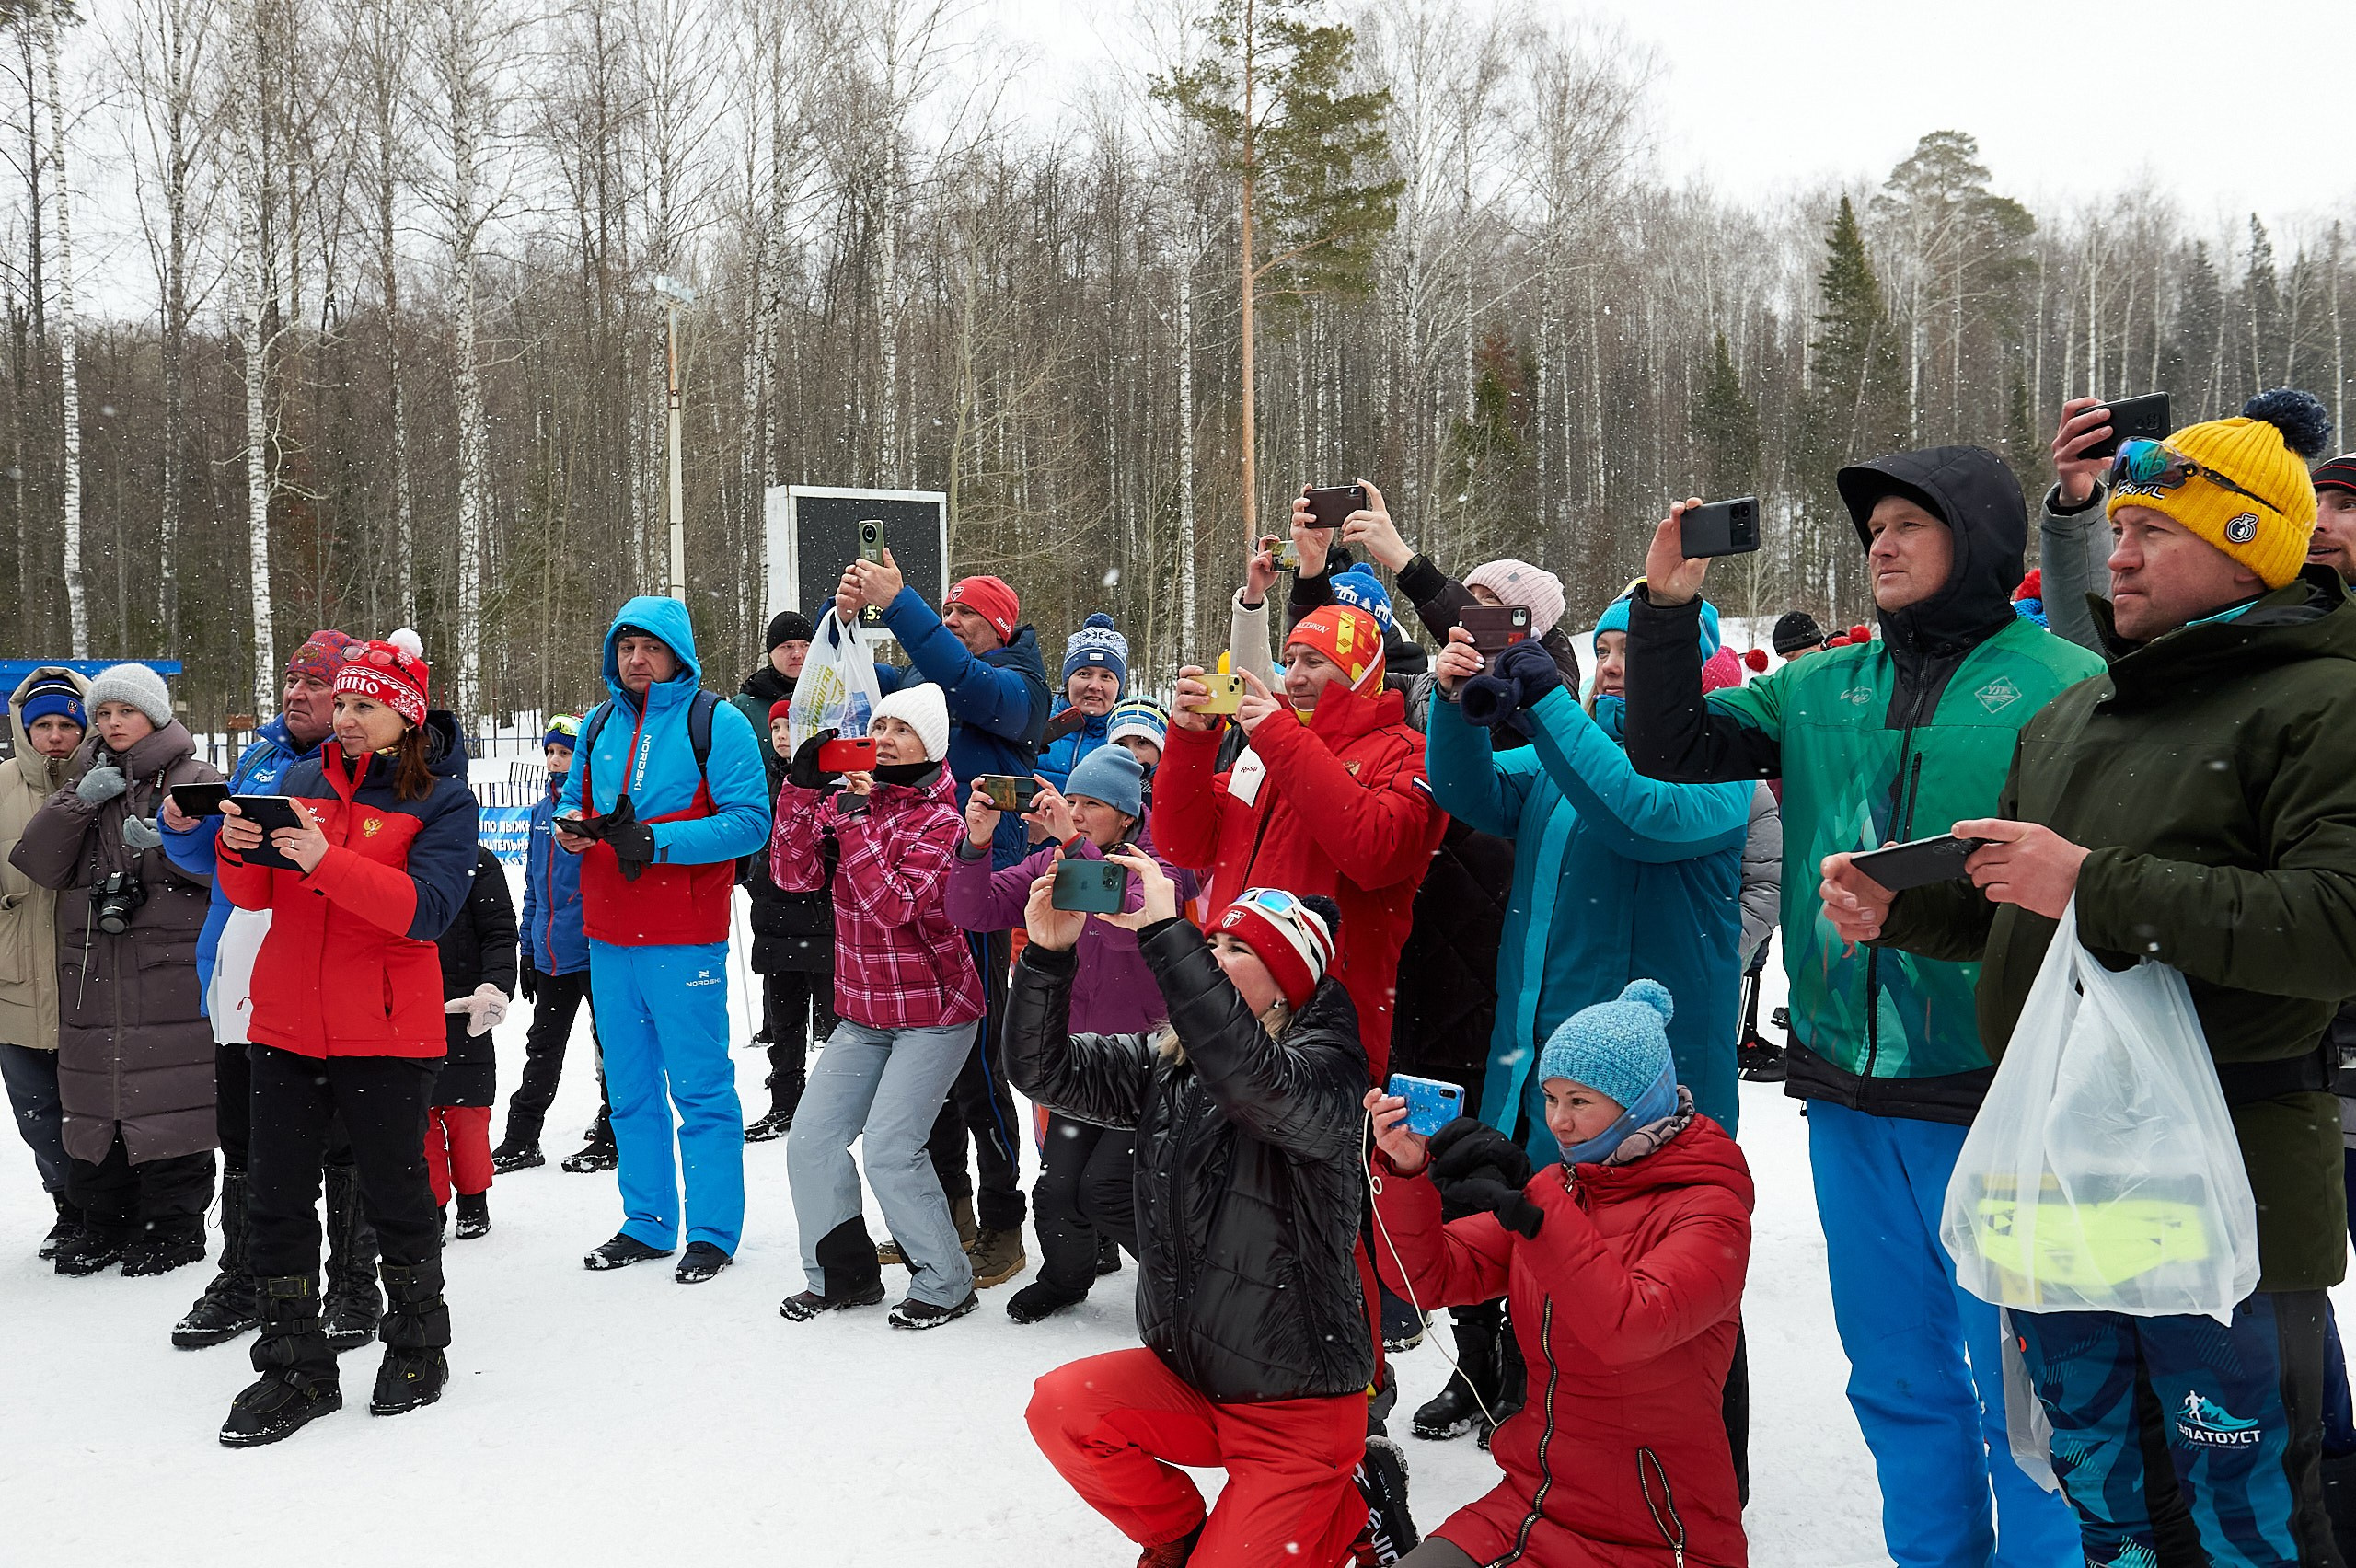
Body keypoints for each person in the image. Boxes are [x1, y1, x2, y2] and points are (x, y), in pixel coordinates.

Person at [1825, 389, 2356, 1567]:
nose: (2113, 555)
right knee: (2104, 1501)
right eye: (2114, 529)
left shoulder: (2326, 701)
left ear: (2241, 548)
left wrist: (2093, 884)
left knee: (2251, 1521)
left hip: (2234, 1190)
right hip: (2068, 1185)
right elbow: (2025, 909)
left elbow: (2333, 925)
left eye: (2148, 534)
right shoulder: (2078, 710)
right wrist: (1901, 908)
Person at [1622, 448, 2101, 1568]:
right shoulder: (1821, 683)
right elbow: (1669, 745)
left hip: (2001, 1094)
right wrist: (1663, 609)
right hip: (1846, 1091)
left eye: (1908, 525)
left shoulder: (2065, 680)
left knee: (2025, 1397)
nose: (1880, 544)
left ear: (1976, 541)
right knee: (1893, 1376)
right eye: (1871, 527)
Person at [1010, 866, 1413, 1567]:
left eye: (1237, 950)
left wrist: (1172, 936)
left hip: (1299, 1411)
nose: (1214, 956)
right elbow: (1042, 1073)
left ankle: (1348, 1500)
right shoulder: (1170, 1060)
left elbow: (1254, 1084)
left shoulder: (1328, 1072)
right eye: (1213, 940)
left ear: (1289, 982)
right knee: (1064, 1408)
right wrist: (1047, 956)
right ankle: (1188, 1543)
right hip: (1194, 1377)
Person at [1366, 978, 1754, 1568]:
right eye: (1551, 1099)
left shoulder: (1709, 1207)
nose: (1559, 1123)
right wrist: (1408, 1174)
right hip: (1530, 1502)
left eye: (1580, 1102)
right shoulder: (1570, 1189)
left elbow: (1629, 1328)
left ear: (1641, 1102)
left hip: (1658, 1534)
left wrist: (1538, 1215)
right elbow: (1424, 1277)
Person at [210, 629, 477, 1446]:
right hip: (286, 1022)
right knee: (277, 1197)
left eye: (365, 705)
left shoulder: (442, 799)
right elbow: (253, 897)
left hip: (387, 1030)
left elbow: (427, 911)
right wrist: (238, 844)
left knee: (397, 1196)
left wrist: (325, 859)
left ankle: (417, 1342)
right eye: (343, 702)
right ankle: (294, 1363)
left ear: (404, 715)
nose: (347, 717)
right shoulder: (299, 776)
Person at [163, 630, 380, 1352]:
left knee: (345, 1132)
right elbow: (209, 862)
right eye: (292, 683)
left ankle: (355, 1279)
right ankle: (249, 1275)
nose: (296, 696)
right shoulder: (258, 756)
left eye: (314, 686)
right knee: (244, 1132)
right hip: (238, 962)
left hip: (327, 968)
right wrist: (186, 828)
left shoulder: (369, 770)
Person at [837, 559, 1049, 1289]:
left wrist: (902, 608)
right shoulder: (934, 680)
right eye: (947, 613)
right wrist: (845, 627)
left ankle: (1002, 1223)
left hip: (981, 899)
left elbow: (964, 684)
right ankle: (945, 1213)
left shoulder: (1021, 687)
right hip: (918, 898)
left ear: (1003, 626)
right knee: (925, 1071)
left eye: (968, 616)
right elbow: (861, 693)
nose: (952, 624)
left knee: (982, 1071)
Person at [557, 596, 771, 1285]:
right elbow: (574, 801)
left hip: (684, 934)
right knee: (628, 1089)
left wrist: (658, 842)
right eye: (625, 648)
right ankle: (646, 1222)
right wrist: (571, 826)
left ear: (678, 653)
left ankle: (711, 1230)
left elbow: (749, 824)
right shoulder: (596, 723)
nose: (636, 660)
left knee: (701, 1088)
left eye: (650, 647)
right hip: (609, 935)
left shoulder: (719, 722)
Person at [771, 683, 986, 1330]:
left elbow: (894, 908)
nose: (885, 738)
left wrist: (856, 822)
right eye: (879, 726)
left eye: (901, 729)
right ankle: (844, 1276)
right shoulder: (851, 800)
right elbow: (792, 875)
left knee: (891, 1150)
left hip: (935, 1013)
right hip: (863, 1013)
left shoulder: (946, 821)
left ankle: (948, 1283)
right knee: (809, 1142)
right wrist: (802, 791)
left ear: (933, 744)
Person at [1156, 601, 1445, 1080]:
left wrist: (1280, 736)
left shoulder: (1407, 754)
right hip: (1228, 997)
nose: (1293, 677)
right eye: (1289, 661)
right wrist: (1190, 741)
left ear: (1362, 671)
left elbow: (1375, 853)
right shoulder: (1264, 749)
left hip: (1324, 1016)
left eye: (1314, 662)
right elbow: (1183, 844)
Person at [946, 745, 1179, 1323]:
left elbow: (1128, 917)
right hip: (1082, 1059)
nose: (1073, 813)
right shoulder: (1051, 860)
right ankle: (1065, 1275)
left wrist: (1073, 848)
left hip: (1148, 1062)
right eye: (1068, 801)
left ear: (1128, 815)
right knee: (1056, 1191)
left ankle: (1187, 1274)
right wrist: (976, 842)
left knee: (1109, 1190)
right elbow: (971, 909)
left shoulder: (1157, 865)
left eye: (1091, 805)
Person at [10, 662, 222, 1277]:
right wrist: (80, 802)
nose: (110, 722)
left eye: (123, 712)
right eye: (101, 714)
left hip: (169, 969)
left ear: (153, 714)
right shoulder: (84, 774)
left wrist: (172, 845)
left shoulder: (196, 776)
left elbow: (227, 871)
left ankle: (172, 1226)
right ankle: (102, 1221)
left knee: (171, 1095)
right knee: (94, 1097)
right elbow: (39, 862)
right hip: (91, 969)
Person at [495, 713, 615, 1175]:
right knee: (542, 1048)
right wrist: (528, 948)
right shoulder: (540, 814)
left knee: (612, 1048)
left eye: (564, 752)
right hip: (551, 956)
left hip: (596, 951)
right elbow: (532, 887)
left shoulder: (595, 808)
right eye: (549, 752)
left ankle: (613, 1134)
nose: (554, 761)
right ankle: (522, 1139)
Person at [0, 666, 88, 1259]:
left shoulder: (108, 783)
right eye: (43, 726)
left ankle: (106, 1207)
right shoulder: (1, 785)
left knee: (95, 1103)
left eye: (67, 725)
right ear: (23, 729)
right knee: (37, 1110)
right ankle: (67, 1206)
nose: (55, 736)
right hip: (15, 973)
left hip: (88, 973)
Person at [730, 611, 827, 1139]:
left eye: (803, 644)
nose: (795, 653)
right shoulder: (744, 709)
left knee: (834, 1009)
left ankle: (835, 1103)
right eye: (785, 644)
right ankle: (785, 1096)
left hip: (827, 894)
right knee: (784, 1005)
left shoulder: (832, 696)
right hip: (769, 885)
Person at [432, 845, 515, 1240]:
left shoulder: (477, 862)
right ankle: (429, 1206)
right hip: (404, 1006)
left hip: (467, 1010)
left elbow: (499, 931)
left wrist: (495, 988)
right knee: (418, 1117)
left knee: (467, 1113)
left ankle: (473, 1200)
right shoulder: (394, 854)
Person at [1035, 611, 1127, 794]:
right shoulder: (1034, 722)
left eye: (1106, 677)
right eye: (1084, 674)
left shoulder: (1131, 734)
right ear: (1068, 681)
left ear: (1118, 687)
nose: (1094, 686)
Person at [1105, 698, 1169, 777]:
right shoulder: (1100, 784)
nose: (1131, 754)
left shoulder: (1177, 785)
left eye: (1142, 743)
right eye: (1121, 745)